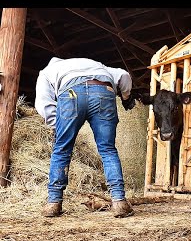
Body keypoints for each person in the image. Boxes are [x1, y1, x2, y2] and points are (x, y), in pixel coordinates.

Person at [34, 57, 137, 218]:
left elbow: (43, 103)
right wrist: (126, 96)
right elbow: (124, 75)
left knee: (61, 149)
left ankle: (53, 203)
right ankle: (119, 201)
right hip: (103, 91)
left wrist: (58, 126)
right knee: (108, 149)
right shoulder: (97, 65)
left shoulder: (47, 72)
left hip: (71, 94)